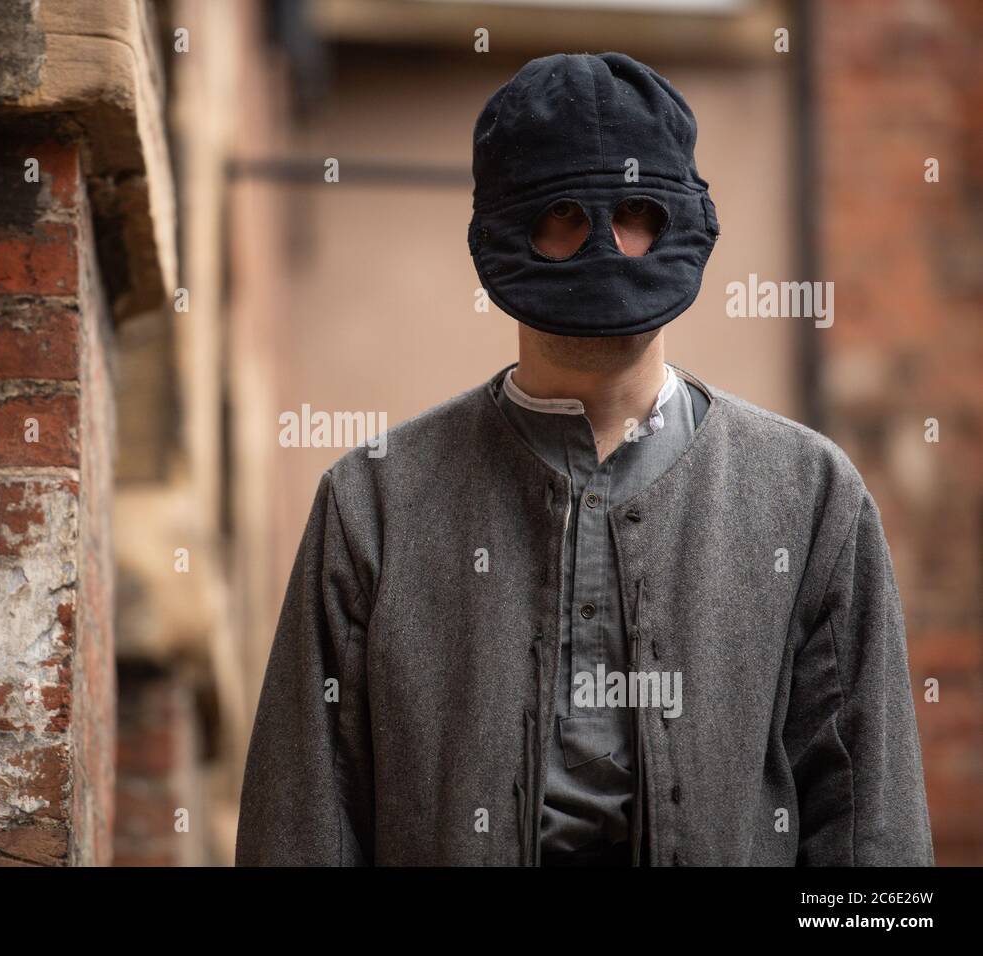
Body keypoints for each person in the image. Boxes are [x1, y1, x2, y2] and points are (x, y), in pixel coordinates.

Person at [235, 52, 933, 866]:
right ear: (504, 229)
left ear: (683, 221)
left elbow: (870, 835)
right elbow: (301, 826)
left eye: (639, 209)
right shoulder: (373, 505)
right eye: (560, 212)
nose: (606, 243)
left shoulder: (810, 499)